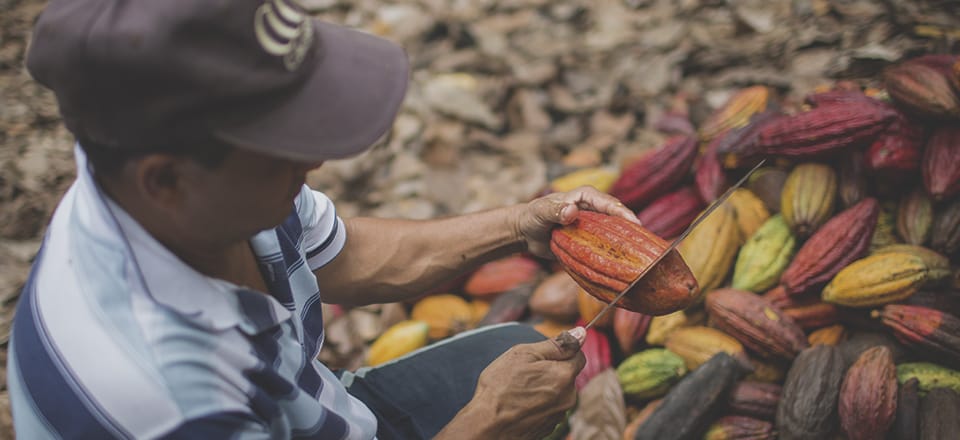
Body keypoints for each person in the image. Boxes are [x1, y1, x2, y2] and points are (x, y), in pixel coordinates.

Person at [8, 0, 640, 438]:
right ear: (166, 179)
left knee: (522, 354)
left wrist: (518, 223)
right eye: (283, 145)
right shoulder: (161, 396)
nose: (314, 159)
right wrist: (485, 425)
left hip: (315, 413)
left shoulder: (179, 192)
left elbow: (346, 254)